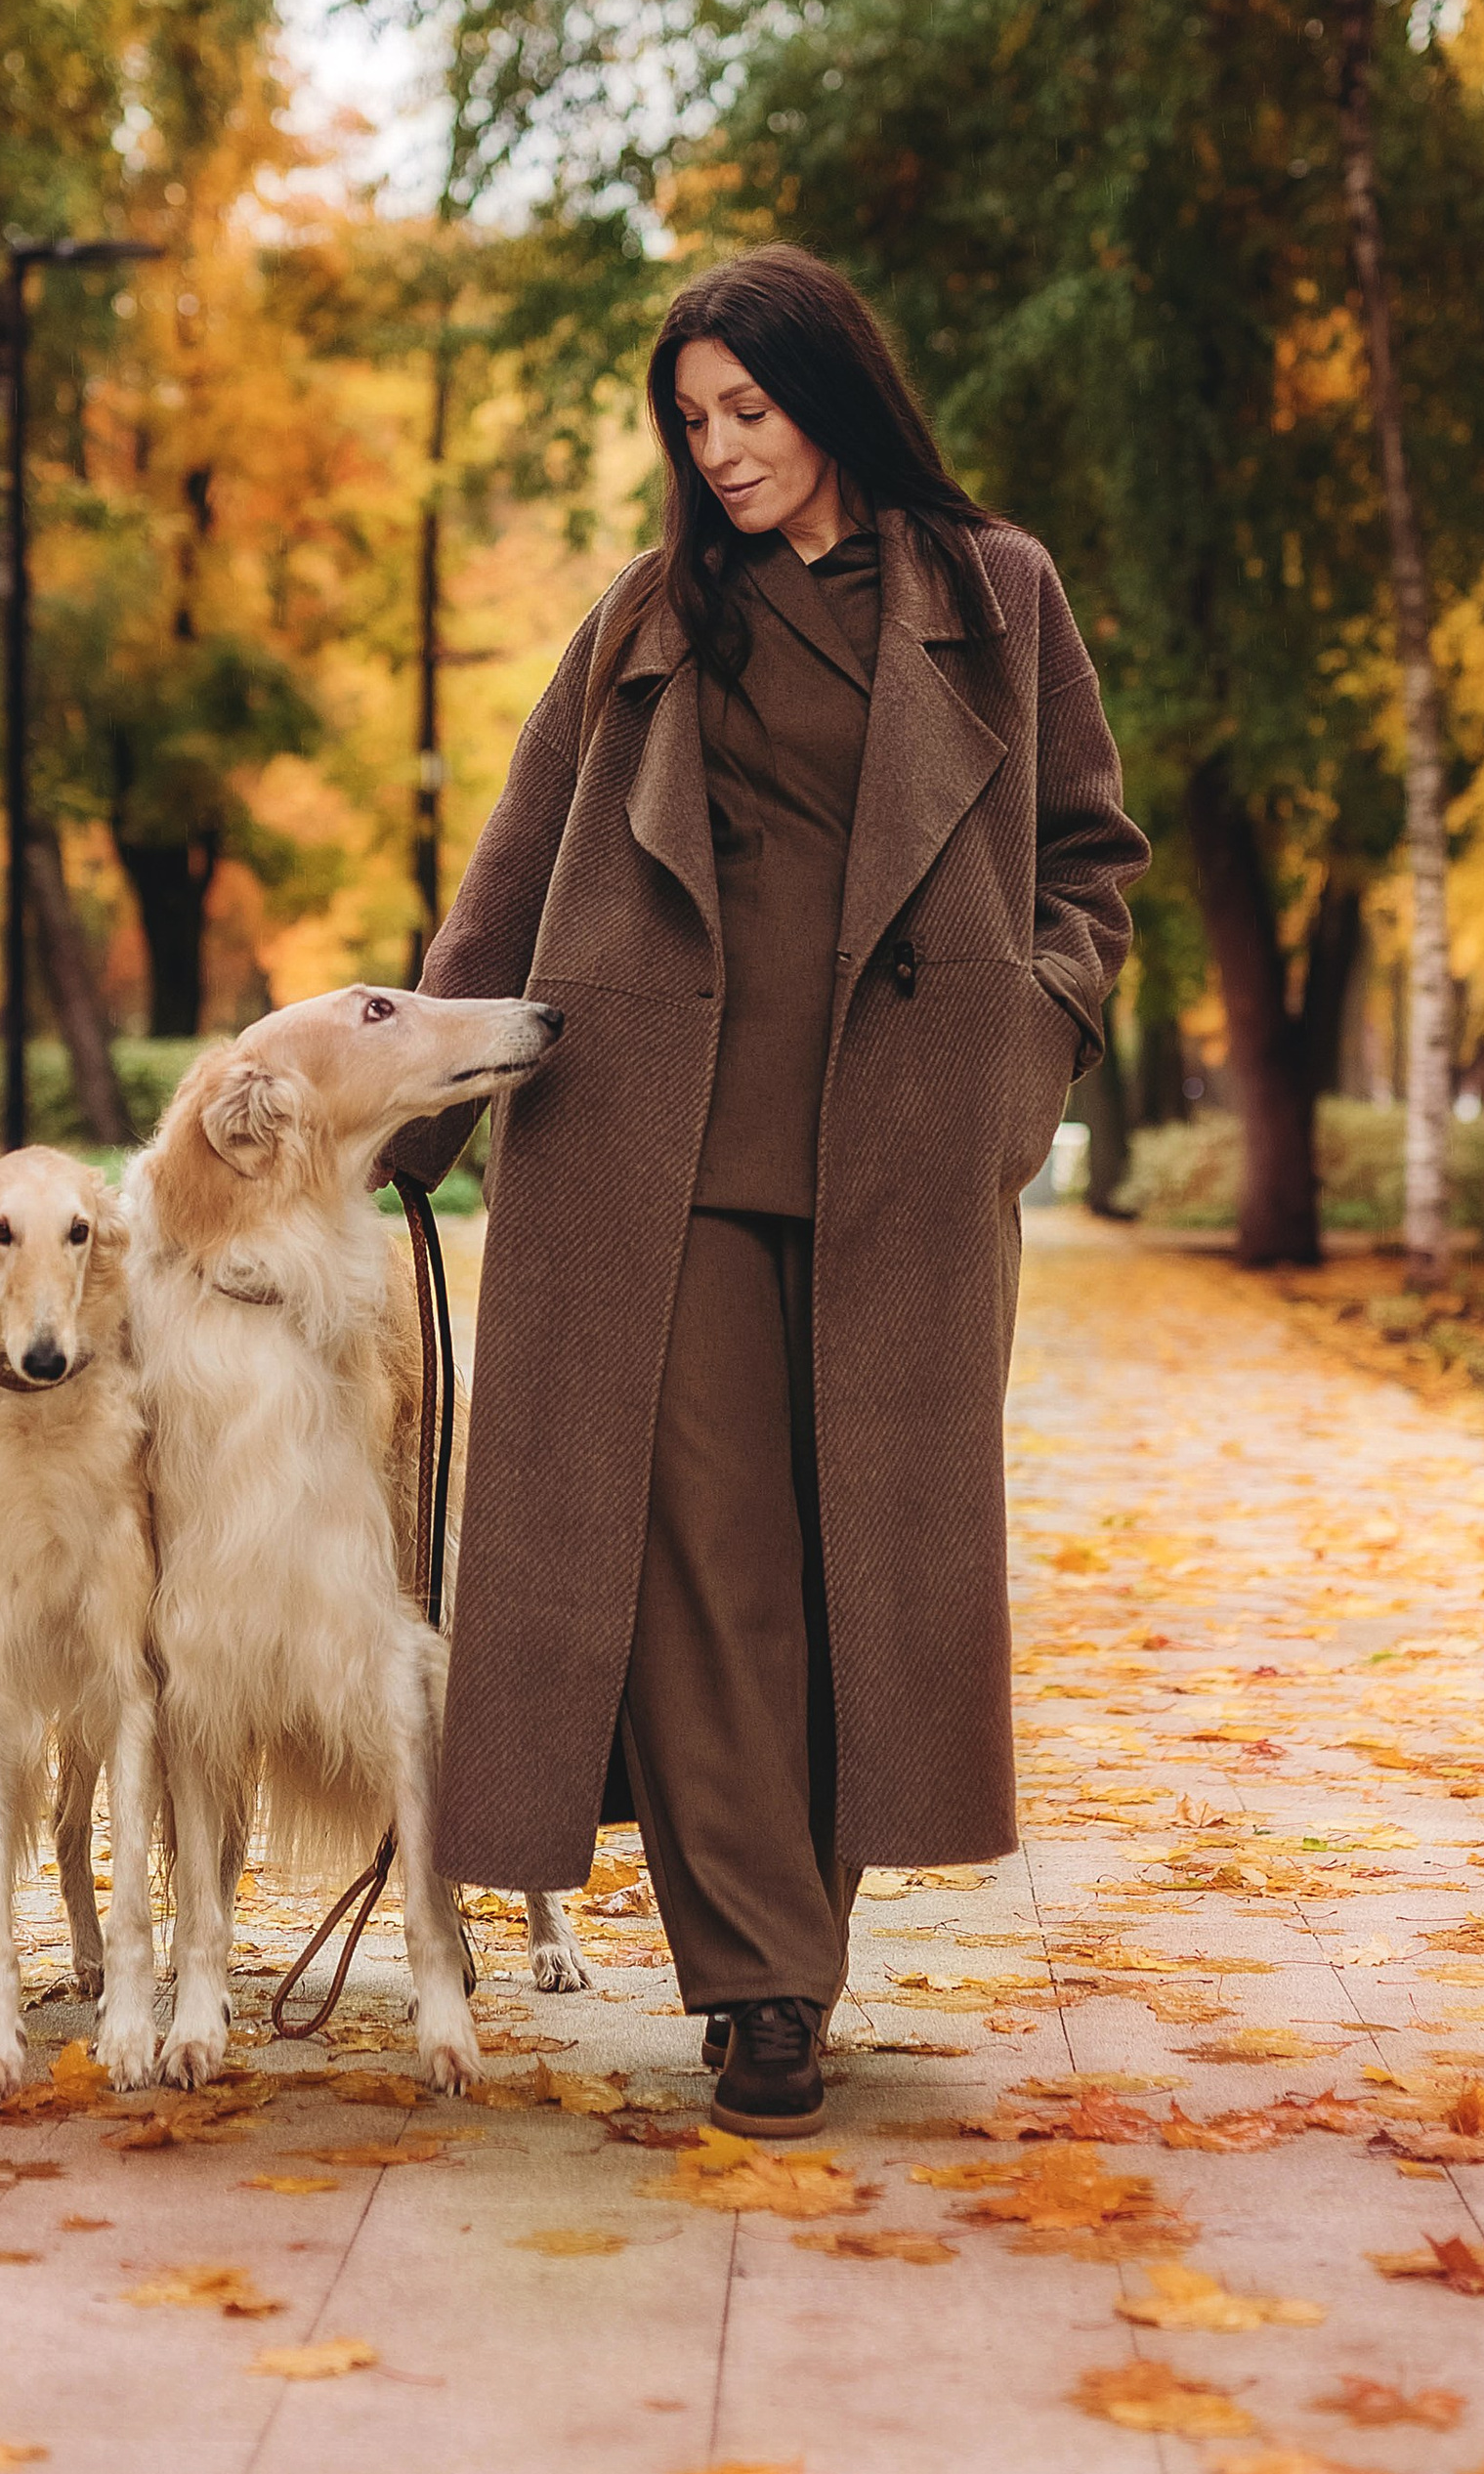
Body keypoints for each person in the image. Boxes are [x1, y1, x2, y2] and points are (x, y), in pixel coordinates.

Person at [387, 245, 1145, 2135]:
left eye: (751, 409)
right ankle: (763, 1991)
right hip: (662, 1158)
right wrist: (398, 1131)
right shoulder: (647, 616)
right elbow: (513, 872)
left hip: (901, 1151)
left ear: (837, 394)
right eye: (692, 421)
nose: (721, 451)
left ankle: (791, 1948)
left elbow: (1090, 857)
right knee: (708, 1579)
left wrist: (1036, 1029)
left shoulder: (1000, 593)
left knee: (855, 1576)